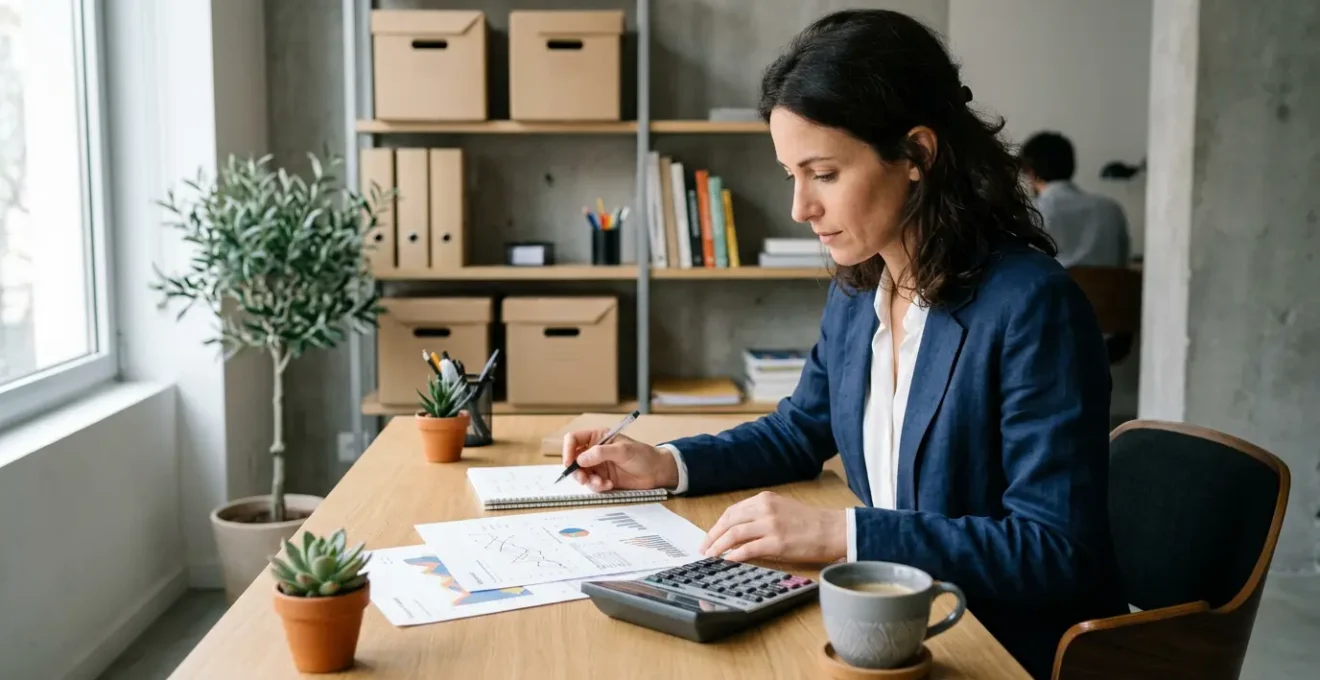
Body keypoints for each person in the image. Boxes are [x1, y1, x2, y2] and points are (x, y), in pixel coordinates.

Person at [561, 10, 1125, 679]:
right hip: (879, 627)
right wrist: (665, 463)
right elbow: (798, 433)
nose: (800, 207)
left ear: (917, 154)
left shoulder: (1032, 307)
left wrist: (842, 534)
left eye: (823, 173)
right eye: (790, 173)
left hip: (987, 644)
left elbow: (1054, 549)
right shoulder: (862, 289)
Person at [1019, 131, 1132, 268]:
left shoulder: (1032, 213)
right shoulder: (1111, 209)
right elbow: (1123, 265)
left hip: (1053, 288)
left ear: (1031, 172)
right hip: (1113, 289)